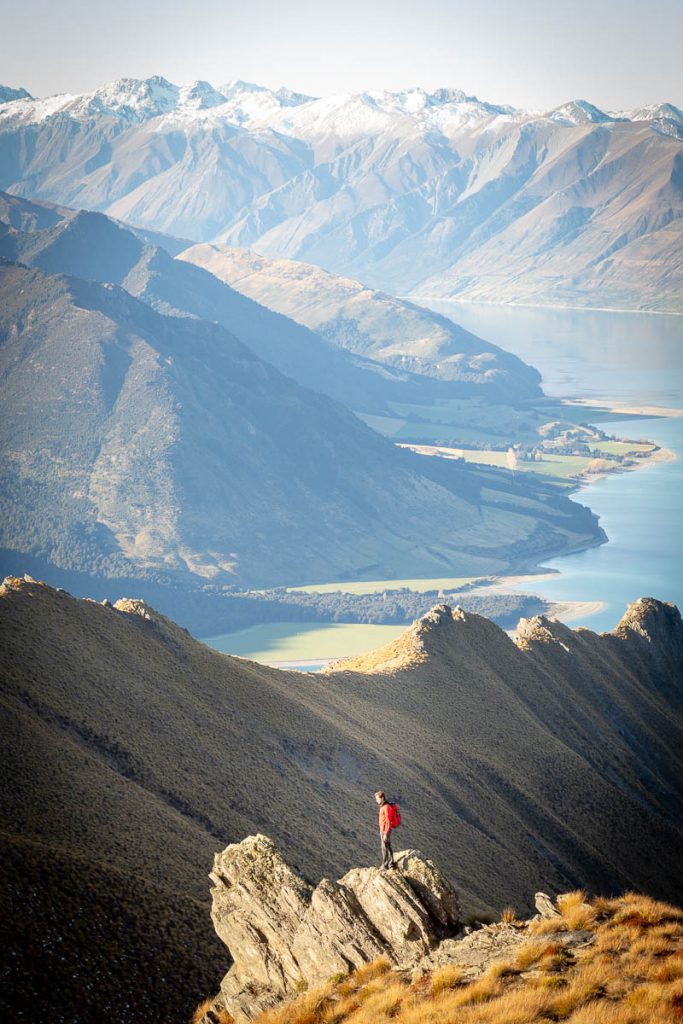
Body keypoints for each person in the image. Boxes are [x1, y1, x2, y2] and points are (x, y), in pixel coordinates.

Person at [374, 790, 395, 869]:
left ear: (382, 798)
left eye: (377, 799)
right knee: (387, 846)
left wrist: (386, 833)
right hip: (384, 829)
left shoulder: (386, 807)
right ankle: (391, 863)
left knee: (384, 847)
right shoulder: (383, 806)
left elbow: (388, 821)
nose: (376, 800)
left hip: (385, 830)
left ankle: (386, 864)